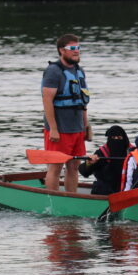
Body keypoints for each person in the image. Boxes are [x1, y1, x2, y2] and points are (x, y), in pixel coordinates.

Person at [41, 34, 91, 192]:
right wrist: (53, 128)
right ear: (62, 50)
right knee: (55, 168)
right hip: (60, 129)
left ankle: (71, 199)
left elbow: (82, 101)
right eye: (73, 48)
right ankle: (53, 201)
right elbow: (47, 101)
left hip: (77, 128)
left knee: (74, 167)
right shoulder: (53, 71)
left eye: (78, 48)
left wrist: (86, 126)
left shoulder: (79, 70)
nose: (77, 52)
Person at [78, 125, 132, 195]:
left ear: (124, 139)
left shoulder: (132, 153)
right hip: (104, 192)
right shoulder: (102, 153)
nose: (116, 140)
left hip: (127, 191)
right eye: (113, 138)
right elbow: (84, 172)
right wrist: (89, 163)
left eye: (119, 138)